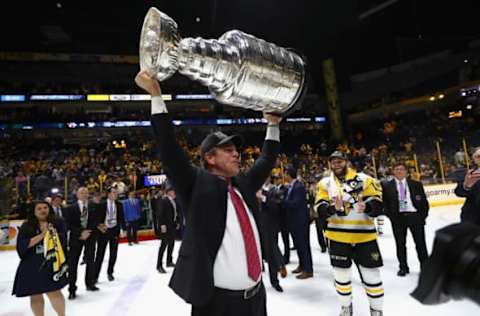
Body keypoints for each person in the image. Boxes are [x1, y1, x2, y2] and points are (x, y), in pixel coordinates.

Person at [135, 69, 281, 316]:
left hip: (257, 298)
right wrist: (156, 96)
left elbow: (266, 160)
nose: (237, 154)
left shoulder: (243, 184)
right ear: (209, 158)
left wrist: (273, 125)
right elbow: (169, 151)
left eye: (237, 150)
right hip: (217, 305)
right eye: (228, 150)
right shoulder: (196, 185)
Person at [315, 151, 384, 316]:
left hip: (365, 237)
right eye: (333, 162)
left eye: (339, 161)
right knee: (341, 277)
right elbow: (319, 208)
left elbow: (379, 204)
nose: (336, 164)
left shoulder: (365, 179)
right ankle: (346, 308)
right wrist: (332, 208)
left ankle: (377, 310)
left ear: (347, 162)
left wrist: (367, 207)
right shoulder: (325, 183)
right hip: (337, 238)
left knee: (372, 277)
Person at [12, 201, 68, 316]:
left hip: (51, 263)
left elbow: (63, 241)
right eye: (39, 208)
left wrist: (51, 233)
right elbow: (22, 246)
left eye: (45, 207)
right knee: (35, 295)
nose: (43, 210)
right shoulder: (26, 225)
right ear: (34, 211)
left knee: (54, 292)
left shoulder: (58, 222)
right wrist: (42, 235)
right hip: (31, 265)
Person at [382, 162, 429, 276]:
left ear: (406, 172)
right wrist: (392, 217)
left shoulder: (416, 184)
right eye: (396, 169)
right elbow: (385, 204)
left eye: (402, 169)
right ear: (393, 171)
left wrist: (421, 216)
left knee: (421, 244)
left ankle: (425, 268)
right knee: (400, 244)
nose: (399, 171)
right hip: (398, 218)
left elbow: (424, 202)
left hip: (415, 217)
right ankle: (403, 267)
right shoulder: (387, 186)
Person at [64, 187, 98, 299]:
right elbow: (68, 224)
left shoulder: (93, 206)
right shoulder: (70, 208)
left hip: (90, 237)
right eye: (81, 192)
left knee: (90, 261)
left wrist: (88, 231)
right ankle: (72, 289)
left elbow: (95, 221)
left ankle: (90, 283)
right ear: (77, 195)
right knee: (73, 264)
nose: (84, 194)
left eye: (86, 193)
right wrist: (80, 232)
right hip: (76, 239)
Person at [282, 165, 313, 279]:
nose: (284, 176)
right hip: (294, 221)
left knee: (304, 245)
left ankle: (308, 270)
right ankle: (302, 265)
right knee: (298, 245)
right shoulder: (291, 186)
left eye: (285, 174)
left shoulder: (298, 186)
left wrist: (283, 202)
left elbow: (296, 203)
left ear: (289, 175)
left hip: (301, 221)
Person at [258, 176, 287, 292]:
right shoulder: (253, 188)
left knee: (271, 250)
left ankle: (275, 278)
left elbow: (277, 206)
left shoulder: (275, 190)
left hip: (270, 225)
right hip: (256, 224)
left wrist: (263, 198)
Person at [94, 186, 126, 282]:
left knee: (113, 253)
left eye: (116, 192)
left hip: (114, 230)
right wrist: (100, 226)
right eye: (113, 192)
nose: (115, 194)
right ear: (108, 194)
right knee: (100, 254)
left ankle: (110, 272)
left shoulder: (119, 204)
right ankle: (95, 275)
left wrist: (124, 229)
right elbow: (96, 218)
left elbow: (121, 217)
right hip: (104, 231)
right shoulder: (101, 204)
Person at [152, 183, 178, 273]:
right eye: (174, 191)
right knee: (163, 245)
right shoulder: (163, 200)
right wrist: (162, 225)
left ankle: (169, 261)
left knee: (171, 244)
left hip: (171, 226)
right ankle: (159, 265)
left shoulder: (172, 200)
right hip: (165, 227)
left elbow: (174, 213)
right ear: (169, 192)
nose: (175, 193)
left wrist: (175, 222)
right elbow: (160, 213)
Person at [454, 147, 480, 225]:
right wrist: (466, 186)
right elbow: (458, 192)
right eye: (478, 156)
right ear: (474, 159)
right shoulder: (468, 173)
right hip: (472, 217)